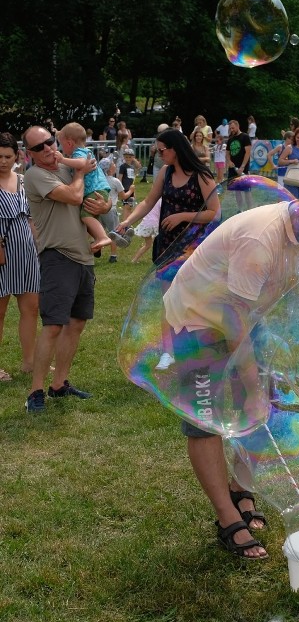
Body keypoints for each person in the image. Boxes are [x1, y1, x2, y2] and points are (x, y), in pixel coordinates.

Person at [157, 176, 299, 559]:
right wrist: (251, 390)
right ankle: (226, 519)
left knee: (264, 410)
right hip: (198, 317)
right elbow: (229, 317)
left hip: (245, 316)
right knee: (206, 419)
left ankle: (241, 489)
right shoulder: (261, 237)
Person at [116, 127, 221, 370]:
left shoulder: (202, 176)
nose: (159, 154)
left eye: (162, 150)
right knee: (168, 299)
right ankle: (168, 351)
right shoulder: (165, 172)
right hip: (167, 245)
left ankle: (195, 348)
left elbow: (214, 213)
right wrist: (127, 221)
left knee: (193, 299)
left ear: (175, 149)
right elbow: (148, 201)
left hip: (194, 247)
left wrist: (183, 216)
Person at [22, 125, 110, 412]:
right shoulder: (36, 175)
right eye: (39, 147)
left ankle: (59, 384)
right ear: (30, 154)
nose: (47, 148)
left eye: (49, 142)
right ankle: (35, 392)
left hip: (83, 257)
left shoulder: (67, 164)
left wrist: (104, 205)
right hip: (58, 256)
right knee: (53, 326)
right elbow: (74, 197)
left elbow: (93, 198)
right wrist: (82, 173)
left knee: (77, 323)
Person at [0, 132, 39, 382]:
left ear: (17, 156)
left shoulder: (24, 181)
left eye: (7, 156)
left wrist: (40, 247)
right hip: (1, 256)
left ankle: (29, 362)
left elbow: (32, 218)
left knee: (31, 310)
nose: (2, 161)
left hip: (26, 253)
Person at [56, 123, 116, 252]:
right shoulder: (84, 151)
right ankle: (98, 240)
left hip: (94, 191)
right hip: (98, 191)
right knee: (91, 217)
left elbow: (82, 163)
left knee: (85, 216)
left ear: (69, 143)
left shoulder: (79, 153)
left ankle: (101, 237)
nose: (61, 148)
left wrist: (62, 160)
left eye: (61, 144)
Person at [226, 120, 253, 210]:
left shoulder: (245, 137)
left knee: (246, 190)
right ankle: (240, 209)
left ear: (238, 126)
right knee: (237, 190)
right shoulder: (230, 139)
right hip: (233, 168)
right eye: (230, 128)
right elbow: (227, 153)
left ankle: (250, 209)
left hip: (243, 168)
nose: (232, 130)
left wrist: (242, 166)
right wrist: (229, 161)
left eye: (233, 128)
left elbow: (248, 153)